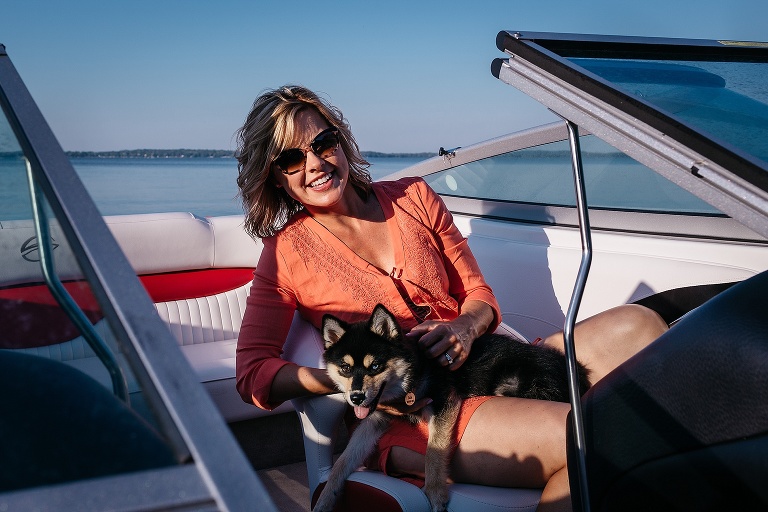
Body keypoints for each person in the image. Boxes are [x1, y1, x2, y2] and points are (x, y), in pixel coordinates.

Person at [234, 85, 668, 512]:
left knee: (642, 327)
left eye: (323, 143)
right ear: (274, 175)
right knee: (596, 435)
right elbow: (253, 374)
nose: (315, 163)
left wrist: (465, 326)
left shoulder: (415, 197)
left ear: (340, 141)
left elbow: (478, 295)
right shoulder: (284, 255)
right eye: (291, 158)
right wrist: (355, 380)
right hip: (418, 413)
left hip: (488, 362)